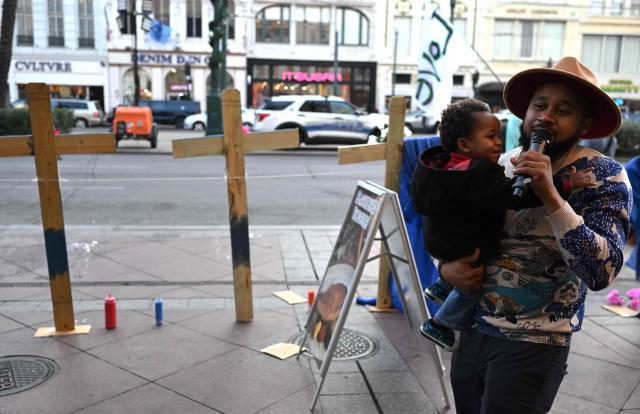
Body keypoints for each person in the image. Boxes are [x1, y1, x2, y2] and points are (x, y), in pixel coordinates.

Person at [438, 56, 631, 413]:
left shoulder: (603, 174)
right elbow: (454, 223)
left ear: (584, 123)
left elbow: (602, 271)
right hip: (471, 332)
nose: (545, 116)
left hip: (535, 344)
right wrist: (445, 268)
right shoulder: (501, 162)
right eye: (539, 105)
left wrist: (551, 194)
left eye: (563, 110)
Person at [410, 99, 594, 351]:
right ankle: (441, 323)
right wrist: (564, 184)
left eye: (562, 110)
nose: (498, 141)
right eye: (490, 136)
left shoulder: (437, 166)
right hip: (465, 244)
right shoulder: (481, 172)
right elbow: (514, 196)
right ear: (465, 144)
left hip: (441, 239)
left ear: (585, 122)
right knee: (470, 288)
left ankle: (441, 287)